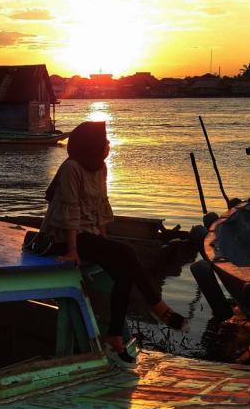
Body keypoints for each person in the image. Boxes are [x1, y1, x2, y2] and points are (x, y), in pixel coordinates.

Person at [41, 121, 188, 364]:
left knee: (124, 273)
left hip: (90, 235)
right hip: (63, 236)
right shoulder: (71, 168)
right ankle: (158, 307)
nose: (108, 147)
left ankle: (115, 335)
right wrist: (72, 250)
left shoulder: (101, 168)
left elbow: (101, 206)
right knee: (127, 252)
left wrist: (104, 240)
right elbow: (70, 211)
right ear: (90, 145)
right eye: (104, 143)